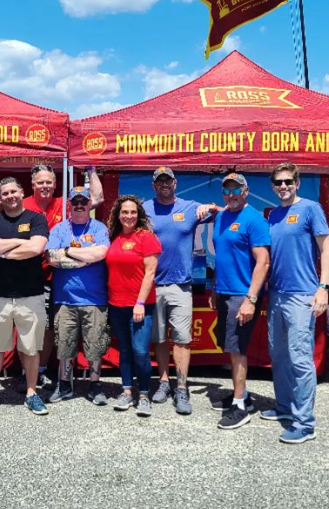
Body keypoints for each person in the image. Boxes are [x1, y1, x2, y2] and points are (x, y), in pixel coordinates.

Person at [263, 162, 329, 444]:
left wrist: (323, 288)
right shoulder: (273, 215)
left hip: (302, 295)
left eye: (288, 181)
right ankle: (284, 408)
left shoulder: (311, 208)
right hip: (277, 294)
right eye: (278, 182)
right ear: (273, 186)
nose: (283, 186)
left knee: (300, 359)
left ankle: (305, 423)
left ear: (297, 183)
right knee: (278, 356)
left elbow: (326, 248)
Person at [0, 177, 51, 417]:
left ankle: (31, 393)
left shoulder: (36, 218)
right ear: (0, 196)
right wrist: (18, 243)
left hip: (31, 294)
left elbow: (36, 248)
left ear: (22, 192)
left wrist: (2, 250)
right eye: (5, 193)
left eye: (14, 191)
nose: (10, 196)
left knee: (31, 347)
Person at [143, 167, 218, 415]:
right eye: (159, 181)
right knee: (160, 338)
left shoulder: (188, 207)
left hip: (181, 285)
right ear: (154, 185)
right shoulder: (145, 210)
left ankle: (182, 387)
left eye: (168, 180)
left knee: (183, 339)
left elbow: (218, 211)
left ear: (175, 183)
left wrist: (210, 207)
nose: (164, 184)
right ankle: (164, 382)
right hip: (153, 284)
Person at [22, 164, 104, 388]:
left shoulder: (64, 204)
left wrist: (91, 168)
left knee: (49, 327)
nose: (45, 186)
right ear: (32, 184)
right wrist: (85, 258)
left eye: (49, 181)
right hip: (25, 276)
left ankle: (39, 371)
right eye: (41, 182)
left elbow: (97, 197)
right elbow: (52, 256)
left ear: (56, 184)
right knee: (27, 327)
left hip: (52, 281)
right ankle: (26, 372)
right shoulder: (22, 204)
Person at [210, 172, 271, 430]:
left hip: (242, 295)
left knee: (237, 351)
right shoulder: (222, 216)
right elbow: (221, 256)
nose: (232, 195)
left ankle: (239, 406)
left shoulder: (254, 219)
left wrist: (251, 299)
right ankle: (242, 394)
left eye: (237, 190)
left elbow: (263, 261)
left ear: (246, 192)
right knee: (230, 347)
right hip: (224, 292)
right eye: (227, 191)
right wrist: (215, 289)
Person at [44, 186, 111, 405]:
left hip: (95, 298)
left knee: (95, 345)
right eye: (75, 202)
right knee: (65, 344)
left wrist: (69, 251)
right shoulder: (59, 229)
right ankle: (64, 384)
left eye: (84, 202)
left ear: (90, 204)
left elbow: (101, 253)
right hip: (65, 299)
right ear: (69, 205)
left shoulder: (99, 228)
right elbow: (53, 258)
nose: (80, 206)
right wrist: (86, 258)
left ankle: (95, 385)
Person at [105, 195, 161, 416]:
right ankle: (127, 391)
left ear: (139, 215)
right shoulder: (115, 237)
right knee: (125, 350)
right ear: (118, 215)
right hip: (116, 304)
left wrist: (139, 302)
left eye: (133, 212)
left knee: (140, 351)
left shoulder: (146, 237)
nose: (129, 216)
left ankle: (145, 394)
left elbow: (150, 273)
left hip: (140, 306)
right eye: (124, 212)